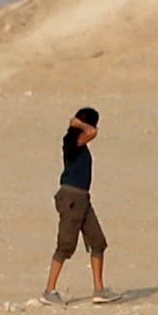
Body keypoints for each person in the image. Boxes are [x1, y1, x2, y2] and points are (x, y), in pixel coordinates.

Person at [42, 106, 112, 302]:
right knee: (65, 245)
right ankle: (49, 291)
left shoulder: (79, 142)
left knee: (97, 241)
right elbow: (92, 132)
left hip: (83, 198)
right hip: (72, 197)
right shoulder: (74, 141)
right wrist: (78, 123)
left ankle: (99, 289)